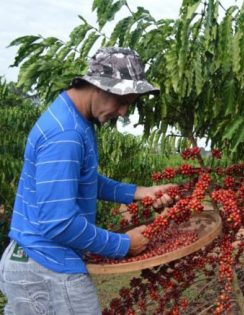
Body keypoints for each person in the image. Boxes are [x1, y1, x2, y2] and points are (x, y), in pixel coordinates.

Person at [0, 47, 174, 314]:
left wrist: (139, 192)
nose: (124, 112)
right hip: (46, 267)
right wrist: (123, 245)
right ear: (99, 86)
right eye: (122, 101)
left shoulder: (74, 119)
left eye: (130, 103)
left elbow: (82, 179)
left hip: (37, 259)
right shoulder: (66, 134)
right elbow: (59, 223)